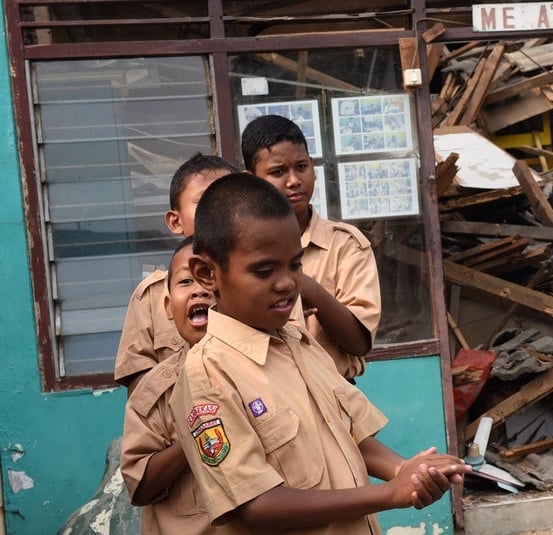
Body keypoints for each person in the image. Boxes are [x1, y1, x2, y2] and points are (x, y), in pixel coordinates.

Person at [170, 173, 469, 533]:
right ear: (207, 273)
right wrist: (390, 494)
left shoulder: (299, 340)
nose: (287, 283)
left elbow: (351, 434)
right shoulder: (208, 374)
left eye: (295, 265)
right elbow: (257, 504)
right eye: (264, 271)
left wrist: (407, 470)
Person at [241, 114, 381, 381]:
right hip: (266, 397)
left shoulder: (344, 244)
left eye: (301, 167)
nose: (293, 180)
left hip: (335, 392)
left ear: (314, 169)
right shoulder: (238, 250)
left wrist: (306, 287)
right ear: (250, 180)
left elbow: (359, 343)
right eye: (278, 172)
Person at [115, 153, 238, 393]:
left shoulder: (254, 283)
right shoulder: (150, 295)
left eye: (229, 201)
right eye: (205, 202)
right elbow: (140, 385)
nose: (218, 213)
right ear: (175, 221)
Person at [120, 237, 218, 534]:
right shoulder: (156, 392)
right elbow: (140, 486)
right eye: (186, 281)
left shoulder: (267, 369)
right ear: (168, 306)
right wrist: (197, 434)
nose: (199, 289)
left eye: (209, 279)